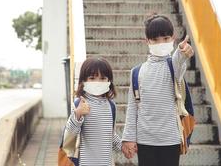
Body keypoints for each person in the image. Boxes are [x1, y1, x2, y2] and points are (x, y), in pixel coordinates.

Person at [121, 14, 194, 166]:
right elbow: (133, 107)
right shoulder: (136, 72)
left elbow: (179, 60)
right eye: (155, 40)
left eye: (166, 38)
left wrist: (181, 51)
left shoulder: (173, 66)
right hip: (145, 141)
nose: (161, 43)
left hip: (171, 140)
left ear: (173, 38)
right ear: (147, 41)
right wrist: (128, 138)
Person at [64, 58, 122, 166]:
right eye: (92, 78)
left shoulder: (111, 106)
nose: (97, 82)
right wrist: (78, 114)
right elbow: (70, 135)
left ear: (109, 81)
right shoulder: (79, 103)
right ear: (83, 81)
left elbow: (110, 135)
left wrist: (123, 146)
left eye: (102, 78)